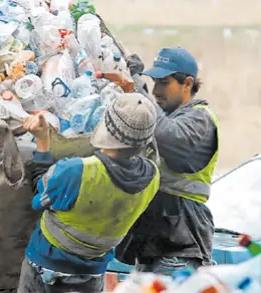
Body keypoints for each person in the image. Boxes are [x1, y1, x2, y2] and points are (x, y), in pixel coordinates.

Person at [17, 93, 160, 293]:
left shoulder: (76, 171)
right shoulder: (152, 176)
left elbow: (38, 192)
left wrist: (42, 140)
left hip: (47, 269)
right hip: (92, 275)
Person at [117, 47, 219, 275]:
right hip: (157, 245)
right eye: (154, 83)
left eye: (164, 83)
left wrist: (135, 89)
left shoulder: (200, 118)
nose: (156, 91)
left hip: (180, 245)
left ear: (188, 83)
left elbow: (169, 136)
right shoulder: (168, 117)